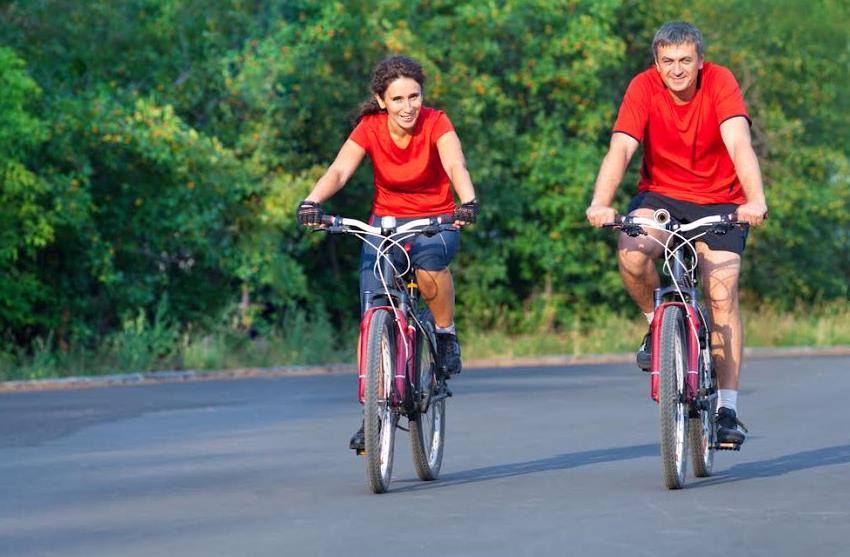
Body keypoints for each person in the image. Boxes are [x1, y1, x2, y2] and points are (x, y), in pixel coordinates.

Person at [585, 22, 767, 447]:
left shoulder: (720, 81)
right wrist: (601, 201)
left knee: (721, 293)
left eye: (686, 60)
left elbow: (739, 143)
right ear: (657, 63)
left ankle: (727, 409)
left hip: (721, 200)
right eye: (668, 61)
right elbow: (622, 147)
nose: (677, 69)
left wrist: (755, 200)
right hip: (661, 197)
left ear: (700, 61)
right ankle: (656, 324)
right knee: (632, 251)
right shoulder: (643, 87)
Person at [296, 55, 479, 452]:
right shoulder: (370, 128)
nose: (408, 106)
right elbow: (339, 171)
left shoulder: (436, 122)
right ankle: (373, 415)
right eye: (398, 99)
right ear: (381, 101)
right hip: (386, 223)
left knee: (432, 263)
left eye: (414, 96)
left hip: (435, 219)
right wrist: (311, 201)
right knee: (373, 310)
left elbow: (455, 163)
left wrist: (467, 201)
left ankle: (445, 336)